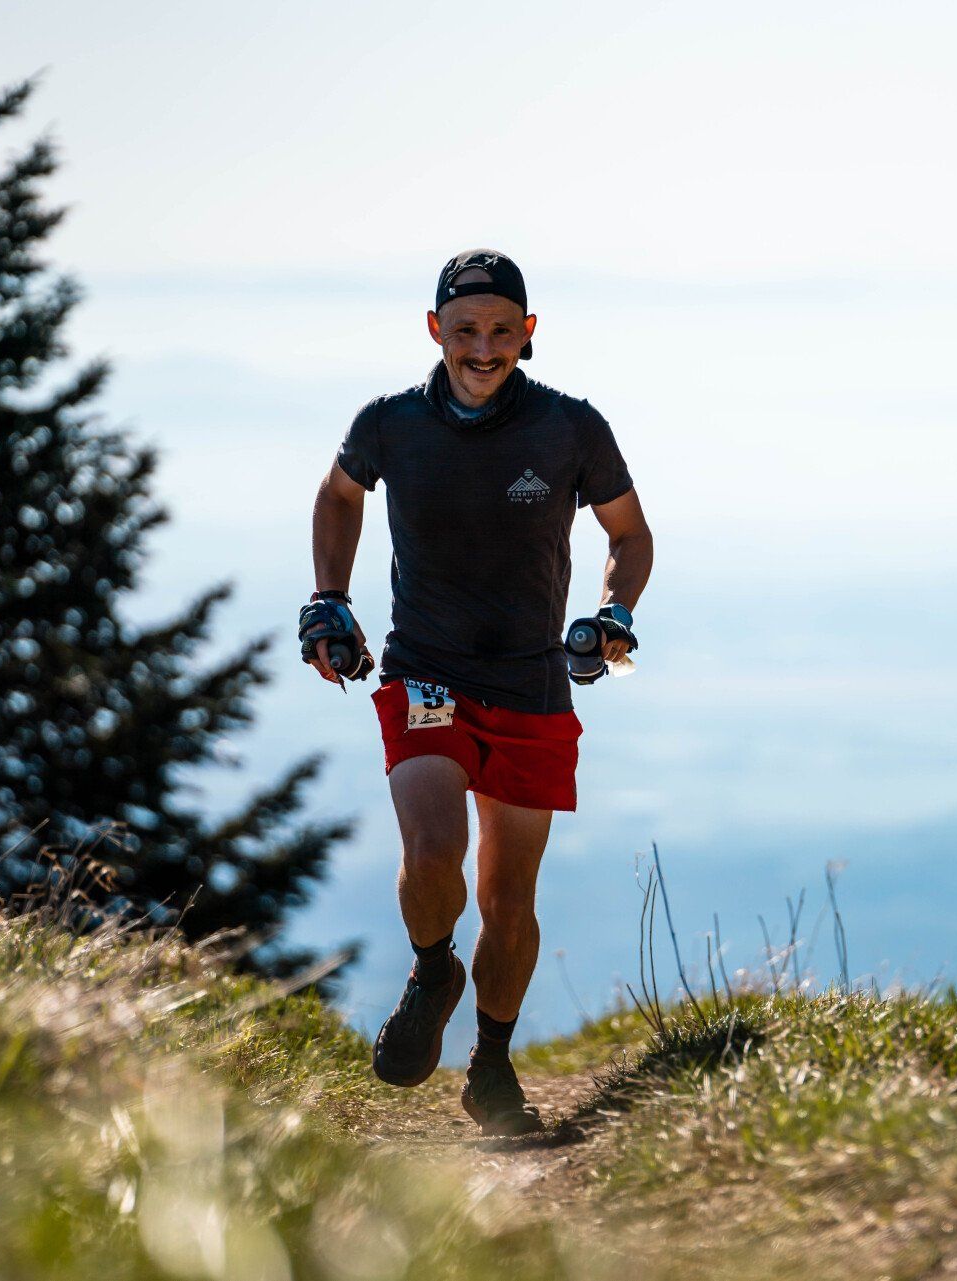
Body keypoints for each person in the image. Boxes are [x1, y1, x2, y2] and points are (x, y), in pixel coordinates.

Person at [300, 249, 652, 1135]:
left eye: (502, 331)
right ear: (435, 332)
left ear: (528, 334)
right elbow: (339, 495)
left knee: (508, 901)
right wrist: (329, 597)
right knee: (430, 854)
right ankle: (430, 968)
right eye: (466, 331)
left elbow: (630, 533)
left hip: (532, 683)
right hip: (425, 671)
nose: (484, 348)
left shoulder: (571, 428)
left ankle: (491, 1068)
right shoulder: (388, 423)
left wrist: (614, 610)